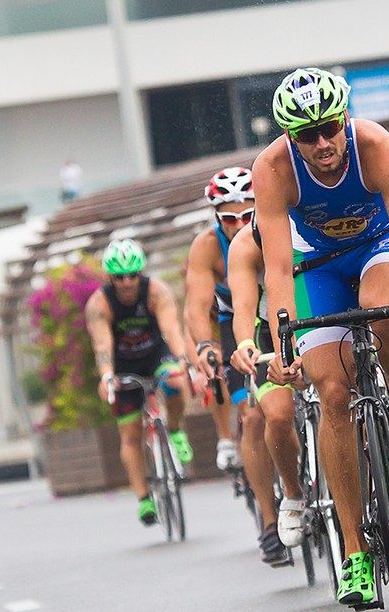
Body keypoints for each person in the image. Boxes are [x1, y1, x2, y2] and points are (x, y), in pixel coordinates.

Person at [254, 67, 389, 607]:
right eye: (307, 135)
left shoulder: (376, 147)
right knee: (336, 395)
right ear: (288, 137)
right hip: (314, 269)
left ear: (345, 117)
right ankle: (354, 554)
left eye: (330, 127)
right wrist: (281, 347)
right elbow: (276, 269)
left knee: (383, 305)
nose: (322, 143)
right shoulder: (274, 170)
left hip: (377, 248)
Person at [185, 167, 289, 565]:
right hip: (237, 324)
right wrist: (208, 346)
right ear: (216, 218)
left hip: (283, 313)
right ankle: (268, 520)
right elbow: (196, 307)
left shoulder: (275, 226)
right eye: (229, 218)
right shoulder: (207, 248)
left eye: (248, 216)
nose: (240, 225)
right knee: (253, 416)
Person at [84, 238, 195, 526]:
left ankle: (175, 428)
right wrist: (107, 375)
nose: (127, 283)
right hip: (124, 365)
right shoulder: (100, 304)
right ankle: (144, 498)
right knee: (131, 434)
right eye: (120, 277)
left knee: (174, 381)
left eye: (133, 275)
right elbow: (102, 344)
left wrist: (183, 360)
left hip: (155, 355)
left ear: (141, 273)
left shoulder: (156, 291)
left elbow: (171, 329)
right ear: (111, 277)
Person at [227, 217, 306, 552]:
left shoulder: (318, 217)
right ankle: (292, 492)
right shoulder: (246, 242)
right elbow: (244, 305)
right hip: (270, 330)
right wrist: (245, 342)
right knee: (275, 415)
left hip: (321, 312)